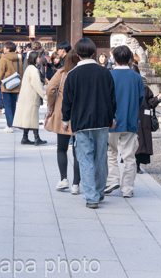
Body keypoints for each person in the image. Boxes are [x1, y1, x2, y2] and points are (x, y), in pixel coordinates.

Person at [61, 38, 116, 209]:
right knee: (101, 157)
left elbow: (67, 100)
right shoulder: (105, 72)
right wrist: (112, 117)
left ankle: (91, 196)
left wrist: (65, 119)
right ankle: (99, 192)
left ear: (77, 54)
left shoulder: (72, 74)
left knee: (84, 158)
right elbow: (112, 98)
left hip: (81, 121)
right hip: (101, 120)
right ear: (93, 52)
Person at [104, 46, 146, 198]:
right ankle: (127, 188)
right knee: (129, 156)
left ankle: (112, 180)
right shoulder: (136, 77)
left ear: (114, 58)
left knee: (110, 152)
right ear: (129, 59)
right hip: (130, 120)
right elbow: (141, 99)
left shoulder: (109, 75)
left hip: (112, 121)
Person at [45, 52, 81, 194]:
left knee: (62, 148)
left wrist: (51, 106)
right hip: (79, 114)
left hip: (62, 113)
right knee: (78, 150)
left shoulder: (62, 73)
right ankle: (76, 184)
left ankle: (63, 179)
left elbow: (50, 89)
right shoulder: (82, 74)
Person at [12, 51, 47, 145]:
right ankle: (36, 138)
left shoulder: (29, 68)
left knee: (28, 117)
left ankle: (25, 137)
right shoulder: (34, 70)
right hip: (31, 97)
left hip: (25, 96)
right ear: (35, 58)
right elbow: (37, 85)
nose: (40, 59)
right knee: (33, 117)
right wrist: (45, 95)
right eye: (38, 57)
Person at [136, 83, 161, 173]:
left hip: (143, 118)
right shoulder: (128, 87)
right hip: (134, 118)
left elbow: (150, 102)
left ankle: (137, 164)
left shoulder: (144, 88)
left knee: (141, 142)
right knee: (133, 141)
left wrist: (157, 99)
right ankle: (134, 165)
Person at [0, 41, 22, 133]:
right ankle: (13, 123)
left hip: (6, 85)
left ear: (8, 49)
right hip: (16, 84)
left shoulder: (4, 58)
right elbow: (21, 72)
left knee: (7, 105)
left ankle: (9, 125)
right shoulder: (18, 58)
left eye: (5, 48)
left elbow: (0, 72)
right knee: (13, 105)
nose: (3, 49)